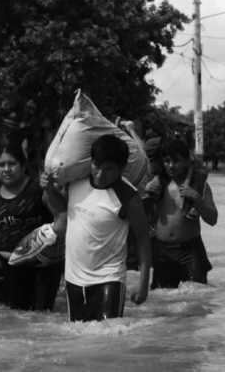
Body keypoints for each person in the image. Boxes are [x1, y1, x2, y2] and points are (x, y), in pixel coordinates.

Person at [43, 134, 151, 321]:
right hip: (73, 278)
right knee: (80, 338)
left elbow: (143, 238)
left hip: (110, 277)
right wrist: (49, 189)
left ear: (122, 168)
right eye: (97, 166)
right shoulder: (75, 182)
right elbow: (62, 213)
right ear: (91, 162)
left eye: (109, 169)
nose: (100, 174)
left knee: (108, 338)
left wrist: (143, 283)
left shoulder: (128, 196)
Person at [0, 143, 63, 311]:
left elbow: (62, 217)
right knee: (18, 316)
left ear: (23, 166)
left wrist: (51, 190)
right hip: (11, 266)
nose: (6, 169)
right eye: (1, 165)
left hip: (42, 267)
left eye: (12, 164)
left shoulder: (39, 189)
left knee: (41, 316)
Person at [148, 139, 218, 288]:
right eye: (167, 161)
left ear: (187, 161)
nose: (171, 166)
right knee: (161, 301)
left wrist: (197, 200)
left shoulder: (199, 185)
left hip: (190, 250)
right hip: (162, 251)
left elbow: (213, 219)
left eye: (176, 161)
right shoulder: (157, 184)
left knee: (197, 298)